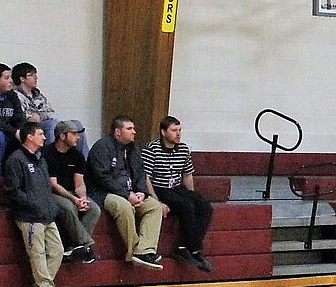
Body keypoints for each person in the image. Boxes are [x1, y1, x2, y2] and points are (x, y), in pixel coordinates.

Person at [3, 121, 65, 287]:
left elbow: (46, 187)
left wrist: (49, 207)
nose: (45, 137)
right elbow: (13, 191)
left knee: (57, 250)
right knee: (37, 254)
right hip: (29, 217)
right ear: (29, 136)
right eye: (40, 134)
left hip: (46, 215)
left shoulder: (41, 160)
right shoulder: (15, 160)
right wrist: (34, 205)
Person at [87, 115, 164, 269]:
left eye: (133, 128)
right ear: (117, 132)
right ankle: (134, 250)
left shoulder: (133, 148)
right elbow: (102, 178)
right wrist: (127, 195)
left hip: (131, 192)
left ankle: (145, 249)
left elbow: (140, 173)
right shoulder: (102, 147)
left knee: (154, 207)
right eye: (129, 129)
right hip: (104, 193)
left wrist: (141, 191)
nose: (134, 132)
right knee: (124, 206)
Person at [142, 115, 214, 273]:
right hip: (159, 187)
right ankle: (195, 250)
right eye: (174, 130)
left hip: (176, 187)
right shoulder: (152, 148)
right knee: (185, 206)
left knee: (204, 206)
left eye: (180, 130)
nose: (178, 134)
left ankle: (184, 246)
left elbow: (187, 175)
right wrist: (156, 201)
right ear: (163, 132)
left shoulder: (183, 149)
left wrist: (192, 194)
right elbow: (145, 177)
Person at [45, 119, 100, 264]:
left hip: (71, 192)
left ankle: (75, 246)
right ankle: (86, 246)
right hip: (52, 193)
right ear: (62, 136)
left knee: (93, 208)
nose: (78, 137)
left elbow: (79, 182)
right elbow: (53, 184)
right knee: (69, 207)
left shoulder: (77, 155)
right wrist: (74, 199)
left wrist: (82, 198)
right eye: (74, 134)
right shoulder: (48, 154)